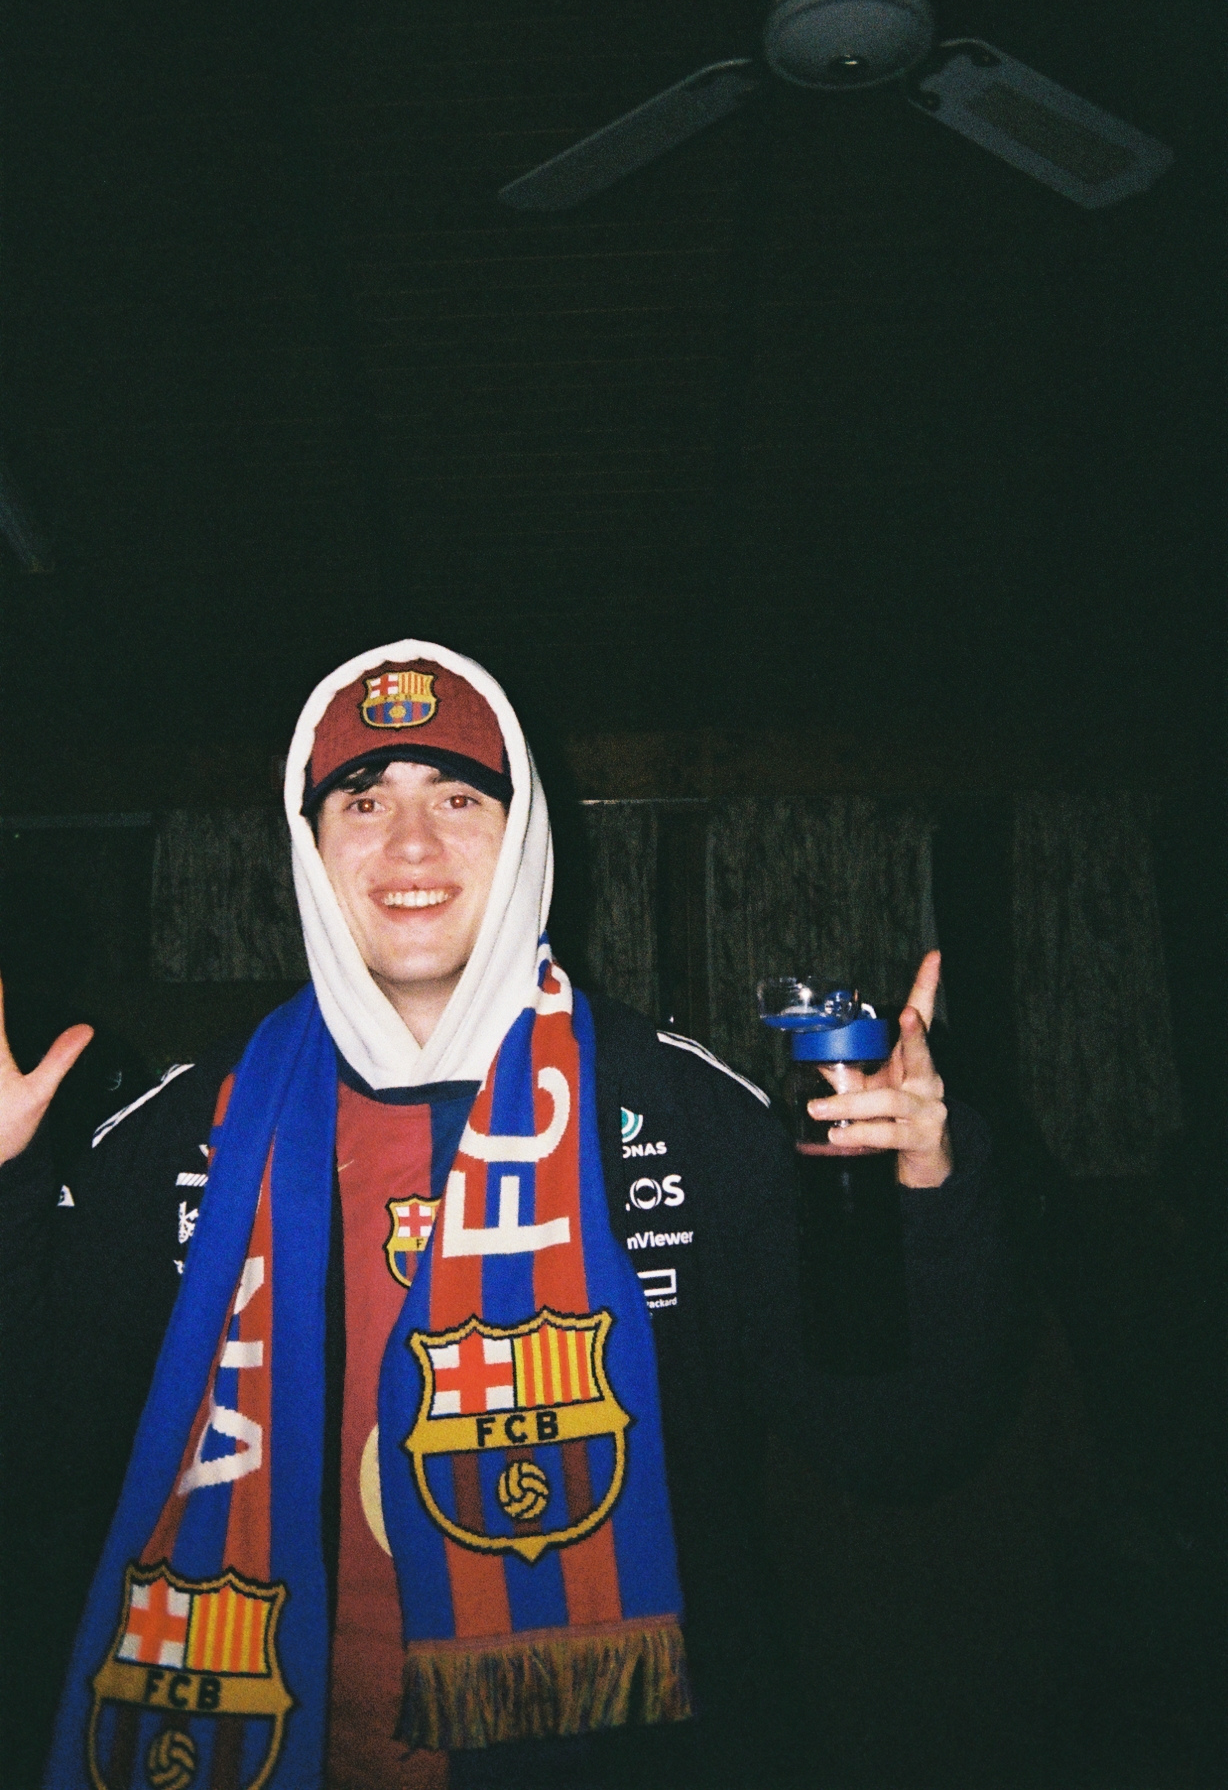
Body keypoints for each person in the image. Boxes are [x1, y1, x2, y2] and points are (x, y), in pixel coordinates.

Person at [0, 641, 1010, 1790]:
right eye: (363, 801)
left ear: (523, 831)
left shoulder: (686, 1112)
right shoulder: (182, 1133)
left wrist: (930, 1195)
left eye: (457, 798)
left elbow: (893, 1444)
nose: (410, 844)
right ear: (309, 847)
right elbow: (33, 1454)